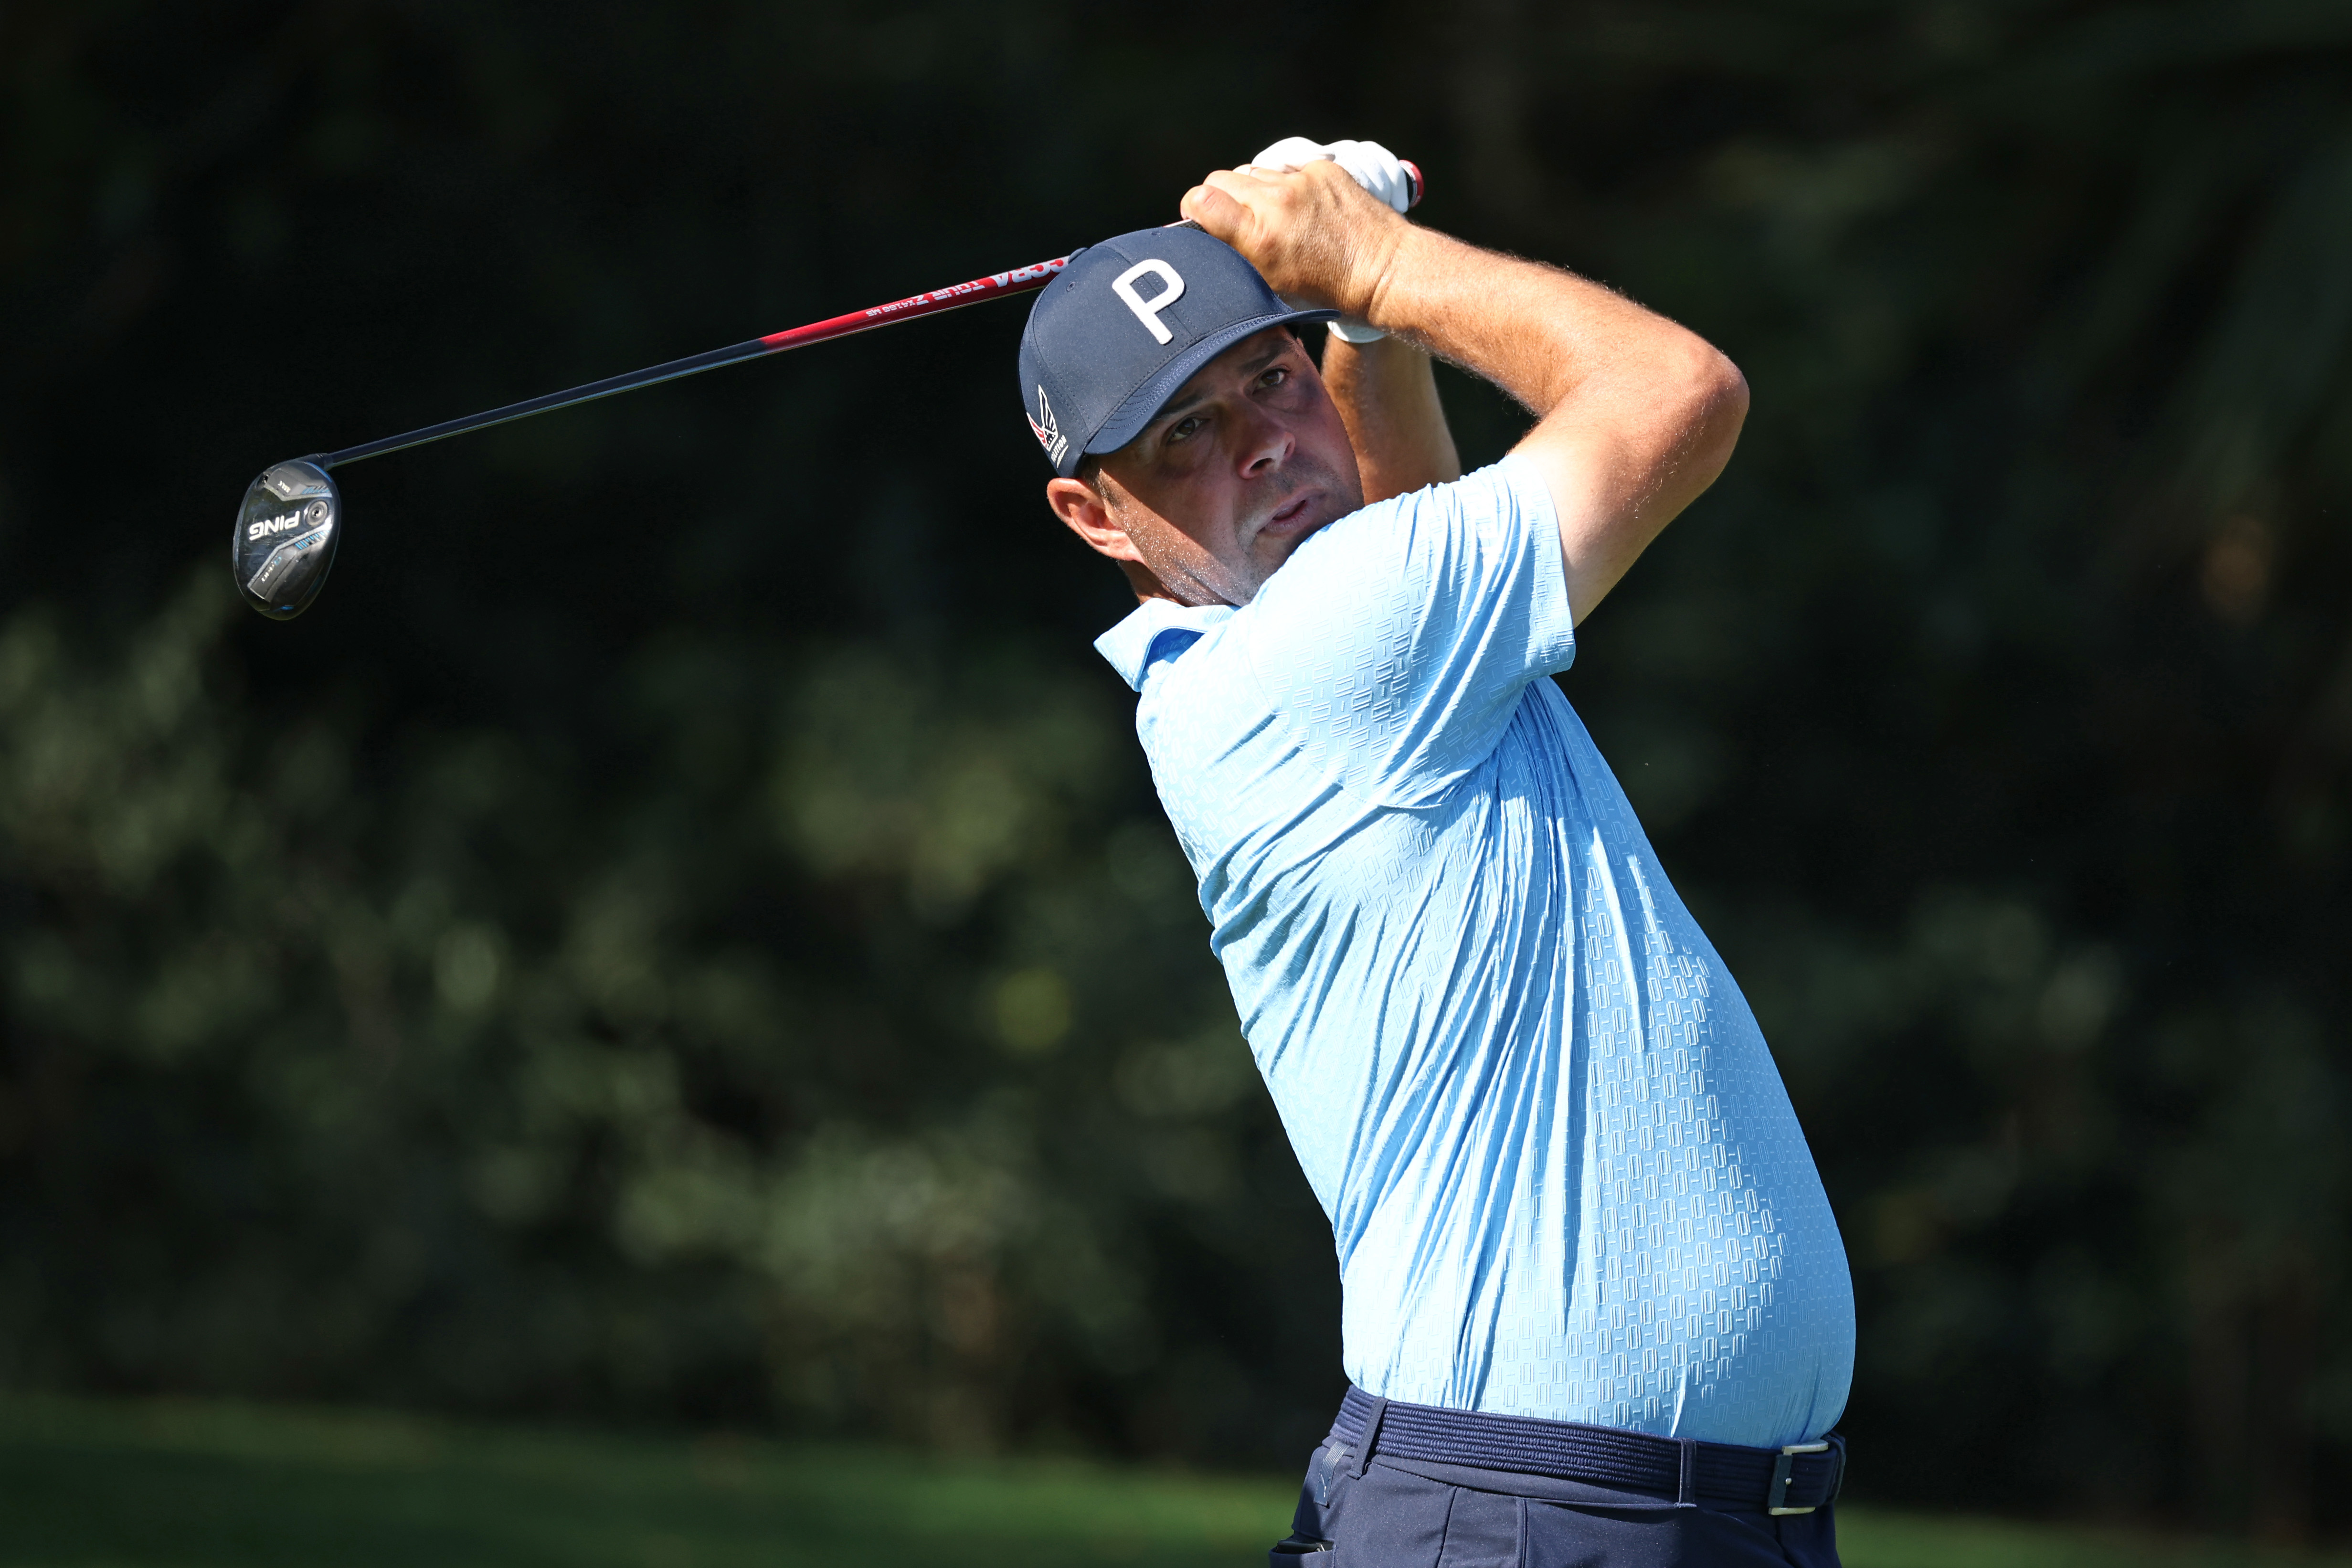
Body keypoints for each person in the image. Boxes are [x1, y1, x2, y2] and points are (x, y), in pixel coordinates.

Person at [1017, 138, 1854, 1568]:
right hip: (1529, 1515)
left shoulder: (1342, 641)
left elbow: (1393, 514)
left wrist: (1356, 326)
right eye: (1183, 436)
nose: (1263, 440)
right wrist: (1380, 263)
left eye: (1269, 378)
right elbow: (1680, 396)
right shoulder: (1319, 648)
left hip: (1595, 1511)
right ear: (1097, 516)